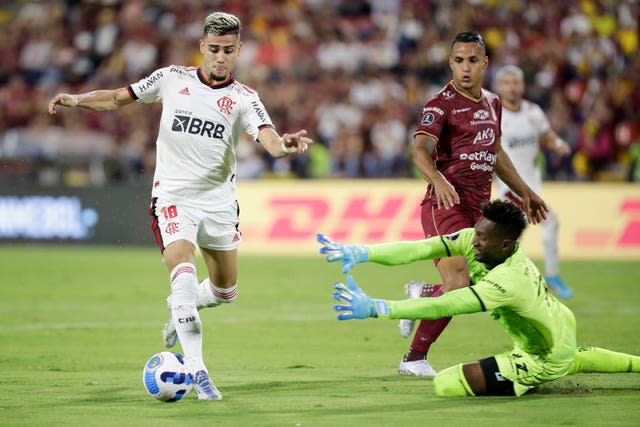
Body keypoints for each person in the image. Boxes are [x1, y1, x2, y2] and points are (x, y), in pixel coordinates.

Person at [48, 12, 312, 401]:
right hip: (173, 197)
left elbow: (270, 139)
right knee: (183, 272)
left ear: (238, 51)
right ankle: (196, 368)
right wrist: (76, 99)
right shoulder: (172, 78)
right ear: (202, 47)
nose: (220, 57)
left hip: (219, 203)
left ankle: (179, 313)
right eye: (214, 49)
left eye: (228, 51)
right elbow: (119, 97)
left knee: (226, 292)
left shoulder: (244, 98)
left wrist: (286, 146)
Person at [318, 200, 640, 397]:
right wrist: (361, 252)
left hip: (541, 355)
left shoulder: (506, 282)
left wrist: (379, 308)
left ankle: (548, 370)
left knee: (446, 384)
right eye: (477, 233)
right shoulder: (481, 243)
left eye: (483, 238)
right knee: (572, 355)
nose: (474, 242)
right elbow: (420, 248)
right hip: (560, 324)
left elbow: (445, 304)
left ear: (505, 246)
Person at [399, 31, 548, 377]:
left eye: (472, 60)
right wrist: (438, 180)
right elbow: (419, 149)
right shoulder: (441, 103)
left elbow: (494, 153)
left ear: (484, 63)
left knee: (482, 286)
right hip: (444, 205)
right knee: (460, 281)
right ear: (451, 63)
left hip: (480, 212)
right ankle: (413, 359)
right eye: (458, 60)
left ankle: (422, 295)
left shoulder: (492, 103)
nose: (465, 68)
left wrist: (525, 191)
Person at [493, 65, 574, 298]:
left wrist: (557, 144)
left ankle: (492, 281)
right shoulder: (495, 114)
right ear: (499, 87)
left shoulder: (533, 112)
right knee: (550, 222)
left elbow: (546, 135)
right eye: (506, 82)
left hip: (532, 187)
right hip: (511, 189)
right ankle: (552, 277)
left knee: (506, 239)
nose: (511, 86)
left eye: (515, 82)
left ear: (522, 85)